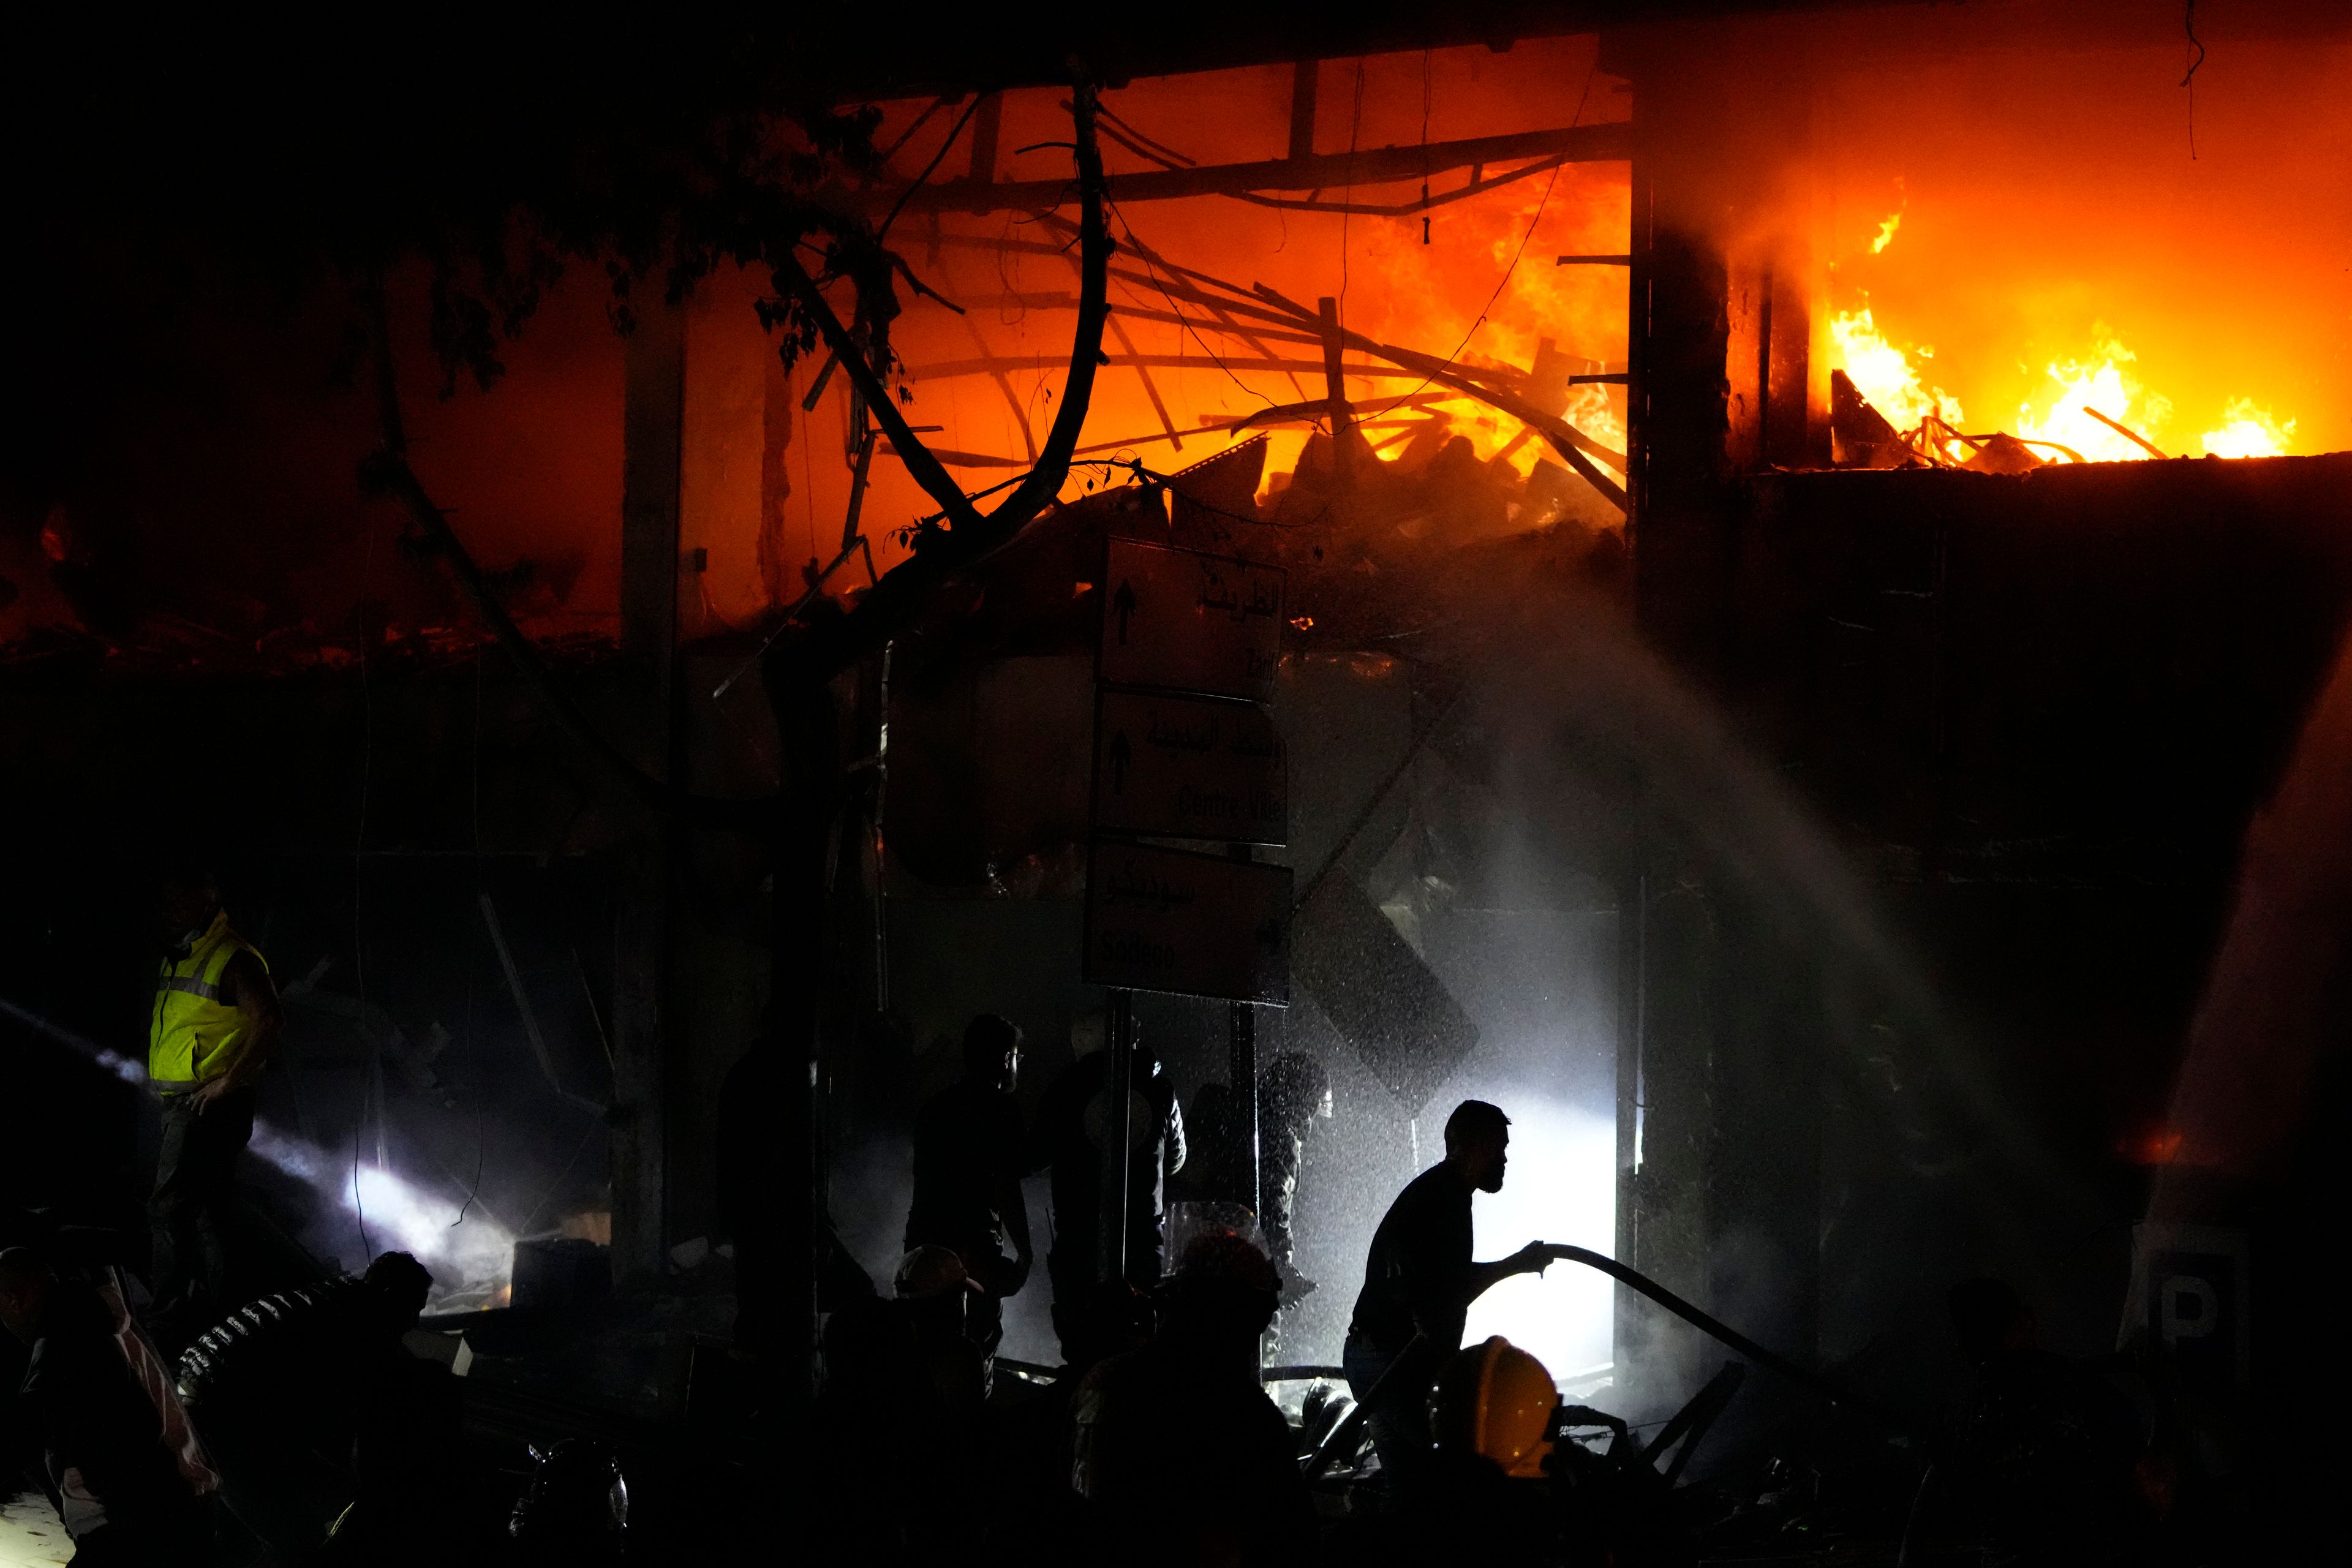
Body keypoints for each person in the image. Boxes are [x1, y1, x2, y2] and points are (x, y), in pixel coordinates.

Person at [173, 1251, 455, 1562]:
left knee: (250, 1531)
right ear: (389, 1296)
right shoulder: (349, 1324)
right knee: (298, 1538)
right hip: (216, 1416)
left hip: (208, 1403)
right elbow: (333, 1422)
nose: (414, 1321)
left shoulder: (333, 1301)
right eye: (412, 1308)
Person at [1343, 1099, 1563, 1482]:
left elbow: (1434, 1286)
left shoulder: (1444, 1193)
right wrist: (1518, 1264)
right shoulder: (1443, 1197)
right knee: (1456, 1480)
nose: (1505, 1159)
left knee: (1412, 1496)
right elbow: (1445, 1292)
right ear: (1468, 1144)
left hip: (1377, 1359)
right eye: (1498, 1146)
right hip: (1392, 1364)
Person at [1071, 1233, 1310, 1567]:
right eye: (1259, 1317)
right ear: (1237, 1316)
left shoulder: (1104, 1380)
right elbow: (1289, 1538)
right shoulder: (1245, 1414)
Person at [0, 1246, 217, 1564]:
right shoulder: (102, 1318)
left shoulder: (65, 1341)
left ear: (15, 1299)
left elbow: (24, 1435)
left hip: (138, 1526)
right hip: (179, 1507)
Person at [147, 863, 280, 1333]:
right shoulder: (179, 955)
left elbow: (268, 1021)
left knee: (169, 1207)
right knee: (205, 1212)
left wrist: (227, 1082)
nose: (168, 909)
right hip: (185, 1103)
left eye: (179, 899)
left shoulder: (232, 957)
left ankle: (170, 1312)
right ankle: (224, 1311)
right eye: (165, 900)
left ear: (207, 902)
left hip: (206, 1106)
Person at [1029, 1012, 1186, 1348]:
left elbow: (1033, 1156)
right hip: (1146, 1240)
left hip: (1079, 1239)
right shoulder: (1160, 1089)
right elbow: (1175, 1159)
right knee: (1143, 1342)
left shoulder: (1064, 1089)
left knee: (1084, 1344)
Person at [904, 1014, 1034, 1352]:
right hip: (973, 1252)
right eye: (1016, 1056)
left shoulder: (935, 1107)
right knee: (973, 1343)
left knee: (926, 1344)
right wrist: (1025, 1253)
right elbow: (1007, 1185)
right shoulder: (1002, 1111)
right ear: (1006, 1059)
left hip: (924, 1246)